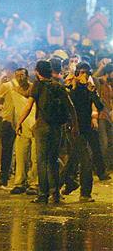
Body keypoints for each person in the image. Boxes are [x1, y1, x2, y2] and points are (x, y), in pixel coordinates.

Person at [16, 60, 78, 204]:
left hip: (42, 128)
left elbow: (29, 106)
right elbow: (71, 107)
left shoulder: (37, 86)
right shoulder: (59, 86)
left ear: (38, 72)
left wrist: (19, 122)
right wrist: (75, 126)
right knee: (53, 160)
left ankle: (43, 194)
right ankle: (55, 193)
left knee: (42, 161)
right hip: (57, 128)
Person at [61, 62, 104, 202]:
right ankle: (85, 193)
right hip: (74, 128)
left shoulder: (89, 88)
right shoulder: (71, 86)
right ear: (77, 73)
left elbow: (100, 106)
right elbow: (69, 105)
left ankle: (58, 186)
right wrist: (75, 85)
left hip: (86, 128)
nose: (84, 76)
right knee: (85, 160)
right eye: (82, 73)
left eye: (87, 73)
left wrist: (93, 92)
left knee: (73, 159)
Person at [8, 68, 38, 195]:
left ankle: (35, 183)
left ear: (27, 76)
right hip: (22, 128)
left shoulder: (35, 89)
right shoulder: (13, 91)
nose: (20, 78)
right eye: (17, 76)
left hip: (35, 127)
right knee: (21, 157)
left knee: (35, 157)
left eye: (22, 76)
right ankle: (20, 183)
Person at [0, 62, 19, 187]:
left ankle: (4, 176)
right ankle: (18, 176)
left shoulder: (7, 85)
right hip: (21, 121)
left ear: (10, 71)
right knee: (20, 151)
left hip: (8, 120)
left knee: (6, 150)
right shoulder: (25, 85)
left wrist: (1, 85)